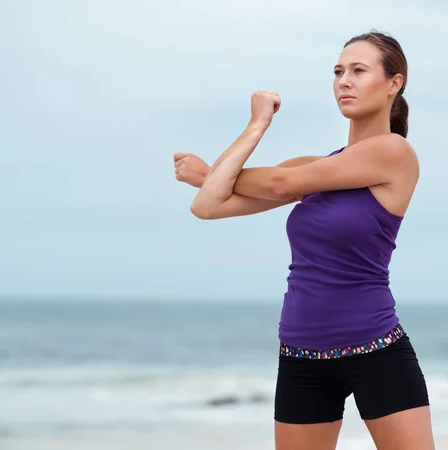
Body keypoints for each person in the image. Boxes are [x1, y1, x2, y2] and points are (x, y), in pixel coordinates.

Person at [173, 31, 434, 450]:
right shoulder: (316, 169)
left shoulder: (394, 153)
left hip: (376, 349)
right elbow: (208, 206)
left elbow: (275, 183)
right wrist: (238, 147)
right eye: (338, 71)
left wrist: (222, 160)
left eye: (358, 71)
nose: (343, 81)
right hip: (301, 356)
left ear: (394, 83)